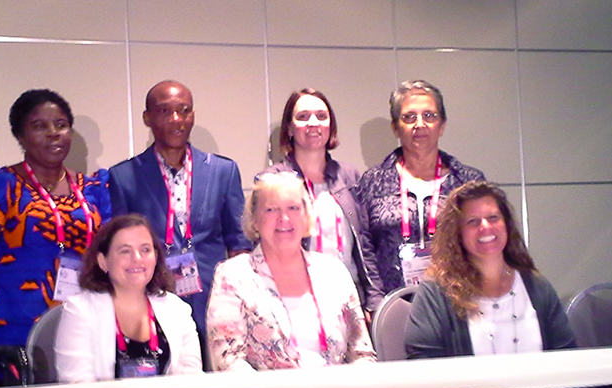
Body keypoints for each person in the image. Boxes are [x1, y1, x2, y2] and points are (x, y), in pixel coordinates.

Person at [0, 89, 111, 387]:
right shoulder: (0, 185)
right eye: (39, 126)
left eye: (61, 124)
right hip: (14, 331)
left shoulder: (92, 188)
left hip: (82, 326)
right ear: (20, 135)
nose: (54, 133)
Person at [108, 80, 251, 366]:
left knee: (220, 386)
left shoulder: (223, 171)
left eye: (184, 111)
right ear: (147, 117)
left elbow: (239, 243)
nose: (176, 120)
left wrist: (243, 300)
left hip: (216, 298)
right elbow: (120, 250)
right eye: (165, 111)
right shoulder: (123, 177)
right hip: (152, 298)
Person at [207, 172, 376, 371]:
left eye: (293, 208)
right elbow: (229, 361)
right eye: (271, 210)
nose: (284, 218)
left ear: (306, 217)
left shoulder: (334, 272)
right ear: (255, 220)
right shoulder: (233, 275)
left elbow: (362, 354)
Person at [405, 181, 576, 358]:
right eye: (473, 221)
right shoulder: (435, 293)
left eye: (493, 218)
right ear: (457, 234)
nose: (485, 226)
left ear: (507, 225)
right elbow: (423, 365)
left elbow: (566, 356)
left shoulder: (537, 286)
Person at [357, 80, 485, 295]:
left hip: (458, 303)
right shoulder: (372, 182)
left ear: (442, 125)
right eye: (409, 117)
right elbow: (365, 249)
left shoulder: (468, 182)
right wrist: (376, 302)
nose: (419, 124)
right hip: (394, 304)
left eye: (429, 116)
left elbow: (484, 244)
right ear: (396, 127)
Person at [264, 88, 384, 315]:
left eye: (321, 116)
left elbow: (365, 245)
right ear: (289, 128)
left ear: (331, 126)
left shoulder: (350, 176)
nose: (313, 123)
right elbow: (266, 249)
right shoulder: (272, 180)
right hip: (297, 302)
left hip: (350, 299)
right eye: (302, 117)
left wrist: (374, 300)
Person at [54, 214, 203, 382]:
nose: (137, 258)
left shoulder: (177, 309)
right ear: (103, 261)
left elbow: (192, 382)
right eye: (125, 251)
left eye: (145, 250)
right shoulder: (80, 311)